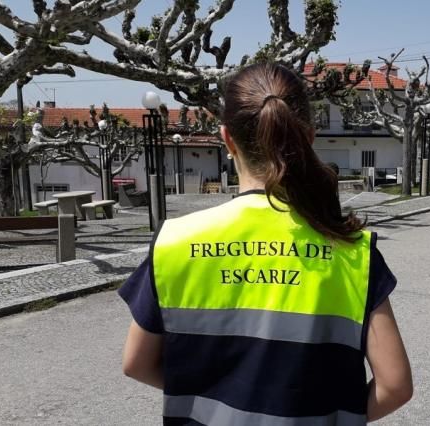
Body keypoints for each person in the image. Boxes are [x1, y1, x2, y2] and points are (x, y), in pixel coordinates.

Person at [119, 63, 412, 425]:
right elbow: (395, 385)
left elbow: (135, 363)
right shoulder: (354, 252)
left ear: (227, 139)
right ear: (308, 137)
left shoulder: (173, 242)